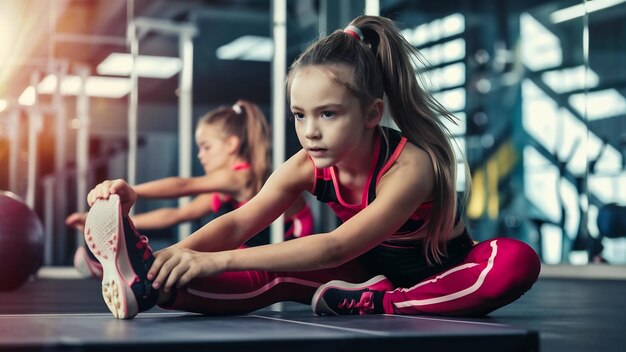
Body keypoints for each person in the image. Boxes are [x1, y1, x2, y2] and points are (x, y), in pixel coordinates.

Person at [83, 15, 540, 320]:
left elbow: (335, 247)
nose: (310, 132)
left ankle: (390, 304)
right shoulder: (307, 165)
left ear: (371, 113)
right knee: (276, 275)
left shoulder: (410, 166)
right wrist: (169, 260)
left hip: (444, 276)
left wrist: (213, 260)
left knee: (516, 261)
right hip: (362, 277)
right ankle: (148, 287)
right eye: (300, 116)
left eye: (328, 114)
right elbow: (241, 221)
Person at [69, 100, 314, 279]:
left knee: (201, 263)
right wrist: (115, 221)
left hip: (296, 247)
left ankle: (134, 269)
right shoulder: (225, 188)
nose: (201, 155)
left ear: (231, 144)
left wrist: (132, 190)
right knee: (196, 260)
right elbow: (175, 215)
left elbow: (184, 185)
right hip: (258, 248)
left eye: (206, 147)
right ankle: (136, 269)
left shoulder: (241, 175)